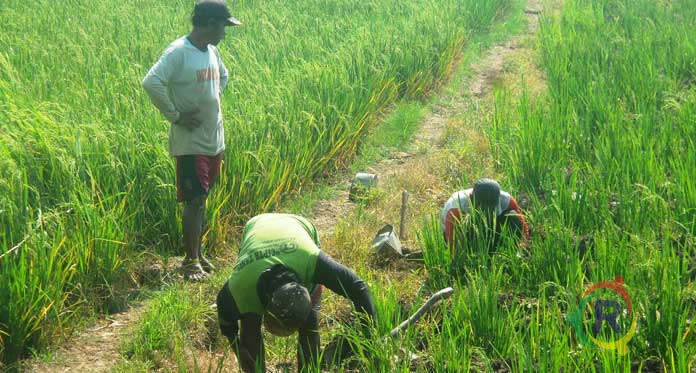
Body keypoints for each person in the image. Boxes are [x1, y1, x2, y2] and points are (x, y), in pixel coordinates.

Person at [142, 1, 241, 281]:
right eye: (223, 26)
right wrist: (175, 115)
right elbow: (151, 82)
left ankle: (197, 253)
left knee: (203, 197)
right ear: (210, 24)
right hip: (191, 141)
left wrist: (216, 95)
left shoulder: (211, 50)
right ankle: (190, 261)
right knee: (195, 199)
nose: (225, 32)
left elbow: (223, 75)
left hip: (214, 137)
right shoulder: (178, 52)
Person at [216, 213, 376, 372]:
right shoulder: (240, 287)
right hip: (256, 224)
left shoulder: (311, 261)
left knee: (310, 324)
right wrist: (240, 350)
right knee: (249, 322)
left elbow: (358, 288)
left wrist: (370, 337)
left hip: (299, 227)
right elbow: (228, 327)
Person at [441, 178, 530, 253]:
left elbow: (522, 226)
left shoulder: (506, 199)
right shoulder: (457, 206)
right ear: (472, 198)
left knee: (513, 216)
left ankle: (508, 251)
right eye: (483, 208)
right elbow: (452, 241)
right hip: (465, 233)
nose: (487, 212)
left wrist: (523, 247)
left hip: (490, 229)